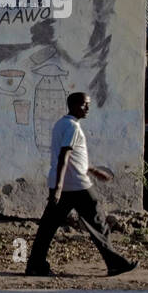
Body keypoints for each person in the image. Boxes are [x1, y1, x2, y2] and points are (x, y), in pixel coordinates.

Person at [25, 92, 138, 277]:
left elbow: (73, 158)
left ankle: (35, 266)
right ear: (74, 105)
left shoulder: (61, 124)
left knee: (47, 228)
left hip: (64, 184)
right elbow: (64, 155)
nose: (88, 108)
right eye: (85, 104)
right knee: (98, 224)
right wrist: (59, 188)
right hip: (77, 186)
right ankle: (115, 264)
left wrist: (91, 170)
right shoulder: (72, 127)